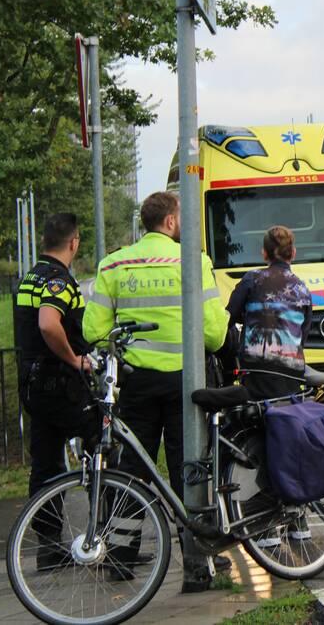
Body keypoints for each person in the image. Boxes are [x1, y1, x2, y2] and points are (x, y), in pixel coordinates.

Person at [83, 191, 228, 583]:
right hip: (187, 384)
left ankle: (121, 557)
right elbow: (214, 336)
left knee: (131, 471)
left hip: (137, 384)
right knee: (190, 472)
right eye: (181, 217)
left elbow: (93, 331)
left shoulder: (113, 265)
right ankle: (197, 566)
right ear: (169, 222)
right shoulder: (195, 262)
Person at [15, 213, 97, 570]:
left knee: (45, 464)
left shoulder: (29, 277)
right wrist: (76, 360)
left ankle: (49, 549)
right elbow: (49, 325)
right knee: (102, 445)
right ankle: (105, 535)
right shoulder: (58, 279)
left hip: (33, 387)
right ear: (74, 243)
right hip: (60, 386)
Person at [226, 226, 312, 399]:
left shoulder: (252, 279)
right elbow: (303, 335)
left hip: (256, 372)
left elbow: (228, 318)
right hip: (291, 374)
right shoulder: (302, 288)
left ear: (264, 253)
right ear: (293, 253)